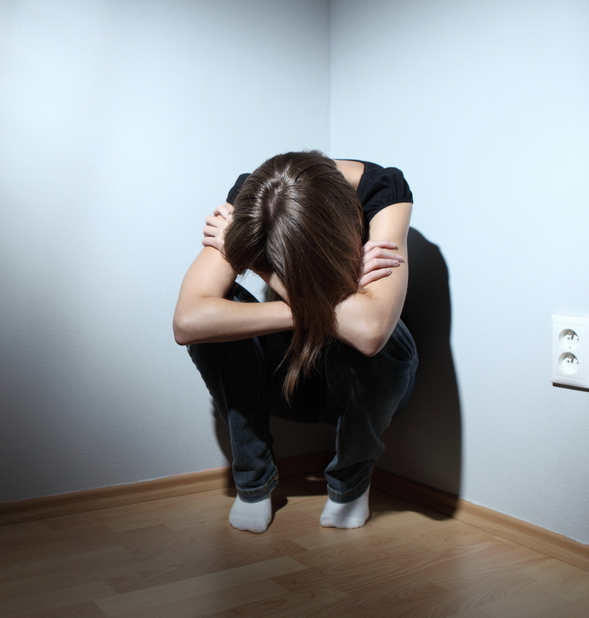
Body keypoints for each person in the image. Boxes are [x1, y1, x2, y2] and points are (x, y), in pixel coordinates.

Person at [173, 150, 418, 532]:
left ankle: (351, 482)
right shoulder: (255, 196)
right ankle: (254, 481)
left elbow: (370, 334)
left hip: (360, 388)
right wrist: (323, 308)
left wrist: (259, 262)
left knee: (389, 334)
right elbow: (189, 320)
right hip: (285, 375)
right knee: (220, 317)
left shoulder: (384, 193)